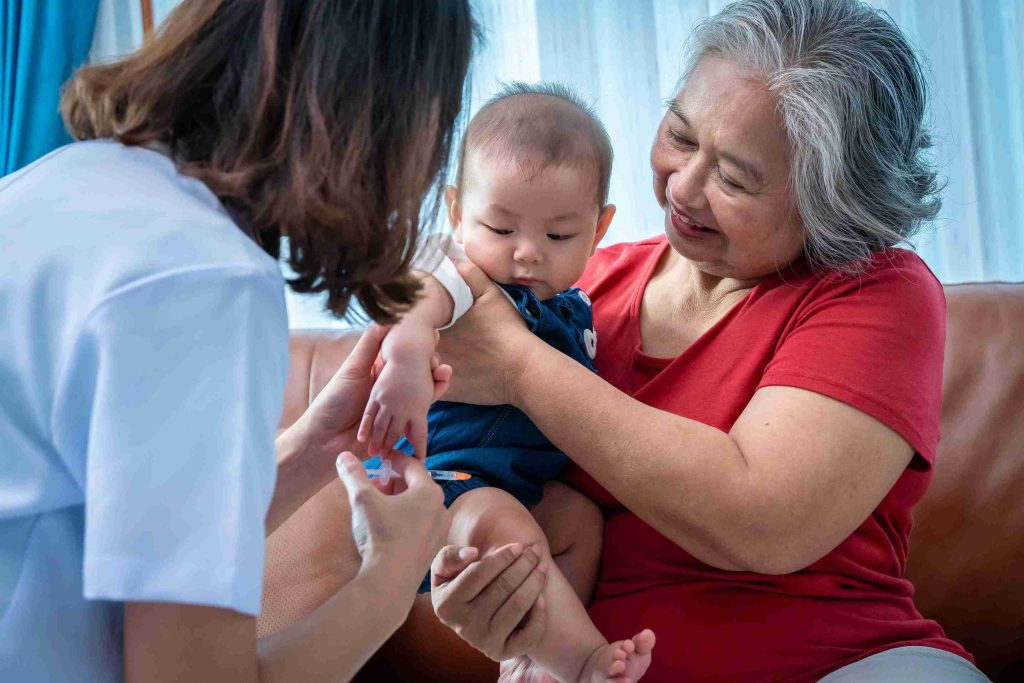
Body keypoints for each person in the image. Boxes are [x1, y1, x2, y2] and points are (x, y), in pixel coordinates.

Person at [425, 0, 993, 681]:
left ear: (827, 202)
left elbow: (762, 519)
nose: (683, 188)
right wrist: (504, 602)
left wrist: (518, 365)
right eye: (682, 136)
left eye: (734, 177)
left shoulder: (877, 294)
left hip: (845, 663)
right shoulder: (571, 292)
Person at [0, 1, 475, 681]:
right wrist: (389, 584)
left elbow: (133, 541)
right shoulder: (203, 276)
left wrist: (314, 445)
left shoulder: (54, 187)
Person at [357, 82, 655, 683]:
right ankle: (580, 661)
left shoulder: (575, 310)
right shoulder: (463, 276)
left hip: (515, 488)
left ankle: (528, 661)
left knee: (578, 523)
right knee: (509, 528)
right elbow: (418, 292)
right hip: (431, 488)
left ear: (599, 230)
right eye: (499, 227)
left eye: (558, 236)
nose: (526, 254)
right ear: (457, 211)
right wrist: (410, 349)